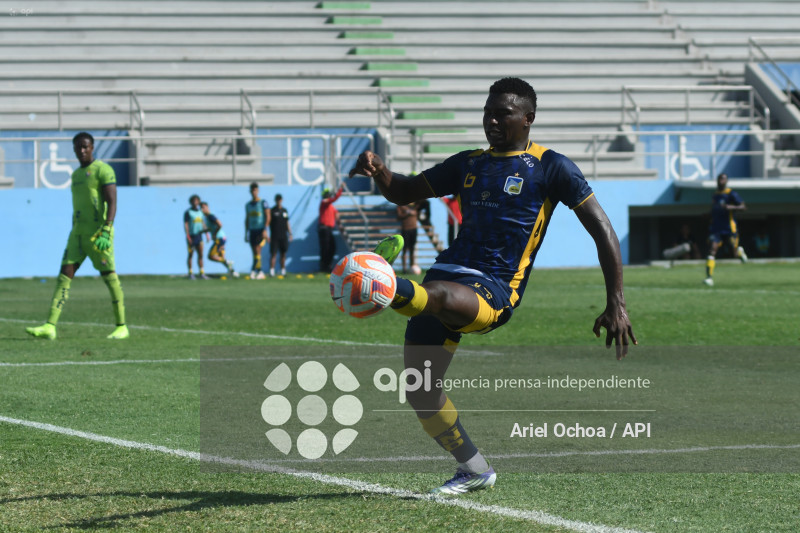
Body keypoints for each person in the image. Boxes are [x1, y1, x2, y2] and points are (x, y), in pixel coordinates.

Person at [350, 77, 636, 495]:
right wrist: (380, 172)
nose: (492, 121)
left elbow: (603, 230)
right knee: (421, 390)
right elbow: (405, 191)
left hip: (493, 289)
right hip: (443, 276)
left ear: (528, 118)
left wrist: (617, 302)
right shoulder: (469, 163)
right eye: (488, 112)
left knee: (437, 298)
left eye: (503, 114)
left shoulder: (552, 166)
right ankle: (474, 469)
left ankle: (385, 286)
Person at [26, 132, 128, 340]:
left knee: (109, 277)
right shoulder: (76, 176)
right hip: (77, 235)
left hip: (99, 235)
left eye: (85, 146)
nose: (82, 150)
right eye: (78, 147)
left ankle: (122, 326)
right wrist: (74, 229)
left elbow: (112, 201)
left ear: (92, 147)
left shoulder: (103, 170)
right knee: (64, 276)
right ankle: (50, 326)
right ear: (74, 149)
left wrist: (107, 229)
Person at [704, 173, 747, 286]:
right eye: (719, 179)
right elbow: (714, 210)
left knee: (734, 252)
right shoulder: (715, 195)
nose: (721, 181)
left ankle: (739, 251)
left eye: (723, 179)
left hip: (729, 228)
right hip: (716, 229)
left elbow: (743, 207)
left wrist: (731, 207)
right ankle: (709, 278)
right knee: (712, 250)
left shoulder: (731, 194)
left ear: (726, 181)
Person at [200, 201, 238, 277]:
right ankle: (233, 272)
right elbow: (211, 228)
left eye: (203, 207)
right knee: (221, 256)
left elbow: (220, 224)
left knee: (211, 256)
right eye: (201, 208)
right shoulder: (206, 218)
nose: (202, 209)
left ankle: (228, 262)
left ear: (207, 207)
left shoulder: (210, 216)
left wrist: (214, 234)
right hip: (222, 238)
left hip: (219, 238)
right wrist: (203, 231)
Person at [245, 182, 270, 280]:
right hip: (252, 230)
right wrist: (246, 232)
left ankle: (256, 271)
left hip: (260, 230)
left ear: (258, 191)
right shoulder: (248, 205)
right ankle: (258, 271)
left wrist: (265, 229)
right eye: (252, 190)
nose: (254, 192)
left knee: (258, 250)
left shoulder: (263, 202)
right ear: (250, 192)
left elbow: (268, 216)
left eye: (255, 190)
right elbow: (247, 219)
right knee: (254, 252)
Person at [318, 185, 343, 272]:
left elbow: (336, 214)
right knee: (325, 248)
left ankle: (328, 265)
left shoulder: (330, 206)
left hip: (329, 230)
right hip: (324, 228)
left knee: (332, 248)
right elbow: (333, 199)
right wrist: (340, 190)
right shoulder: (324, 202)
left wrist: (339, 224)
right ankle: (324, 267)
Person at [184, 194, 208, 280]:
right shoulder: (188, 212)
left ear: (198, 202)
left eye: (196, 201)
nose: (195, 202)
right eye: (193, 201)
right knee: (191, 254)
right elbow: (186, 224)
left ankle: (202, 273)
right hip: (191, 236)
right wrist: (188, 235)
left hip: (199, 236)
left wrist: (207, 234)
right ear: (191, 202)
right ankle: (190, 273)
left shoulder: (200, 212)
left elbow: (203, 223)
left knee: (200, 254)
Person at [269, 193, 292, 277]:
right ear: (275, 200)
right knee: (273, 254)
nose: (279, 201)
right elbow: (268, 222)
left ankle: (283, 270)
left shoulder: (284, 211)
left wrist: (290, 233)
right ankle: (272, 271)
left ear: (282, 200)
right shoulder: (272, 211)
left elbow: (287, 222)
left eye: (280, 199)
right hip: (274, 236)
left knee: (283, 253)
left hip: (283, 236)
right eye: (277, 200)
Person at [396, 203, 419, 273]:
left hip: (414, 229)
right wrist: (408, 213)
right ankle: (404, 269)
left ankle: (412, 267)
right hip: (406, 229)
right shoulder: (401, 206)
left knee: (412, 249)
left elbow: (418, 212)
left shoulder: (415, 205)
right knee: (405, 249)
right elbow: (398, 216)